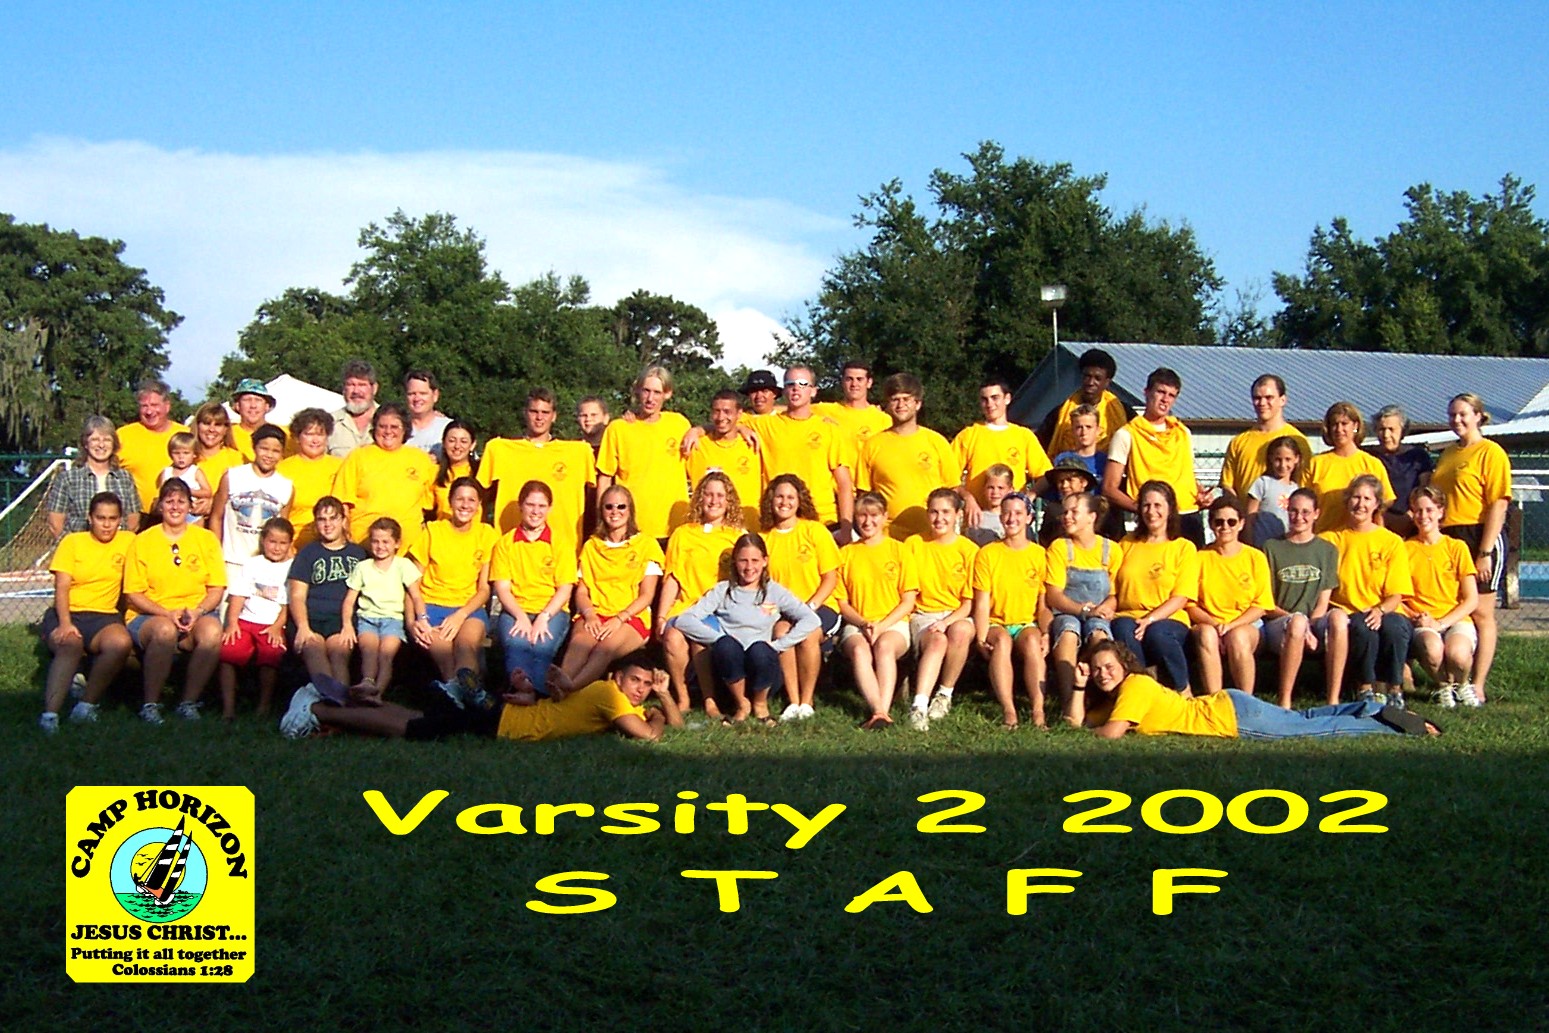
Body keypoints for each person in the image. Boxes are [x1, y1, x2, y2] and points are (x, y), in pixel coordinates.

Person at [281, 649, 683, 743]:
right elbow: (651, 736)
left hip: (505, 713)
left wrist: (663, 697)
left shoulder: (616, 698)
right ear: (617, 677)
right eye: (635, 681)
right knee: (414, 729)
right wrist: (656, 715)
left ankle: (339, 705)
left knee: (418, 719)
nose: (640, 689)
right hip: (505, 725)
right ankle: (318, 709)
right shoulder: (611, 696)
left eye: (646, 685)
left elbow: (676, 723)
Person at [1077, 639, 1439, 740]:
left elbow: (1110, 733)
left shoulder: (1135, 686)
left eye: (1109, 666)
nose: (1102, 674)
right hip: (1229, 704)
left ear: (1124, 665)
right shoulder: (1120, 694)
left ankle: (1391, 726)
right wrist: (1080, 687)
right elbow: (1082, 723)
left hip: (1229, 719)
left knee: (1310, 731)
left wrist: (1091, 726)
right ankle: (1372, 709)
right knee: (1303, 718)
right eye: (1096, 670)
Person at [675, 533, 821, 724]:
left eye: (755, 560)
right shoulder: (723, 590)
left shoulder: (774, 591)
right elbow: (684, 620)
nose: (749, 567)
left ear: (765, 561)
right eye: (743, 561)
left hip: (763, 667)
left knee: (760, 650)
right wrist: (717, 638)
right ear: (735, 562)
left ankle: (760, 704)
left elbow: (810, 619)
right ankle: (742, 703)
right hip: (729, 667)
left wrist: (778, 646)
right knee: (727, 646)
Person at [122, 479, 227, 723]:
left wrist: (198, 611)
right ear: (160, 506)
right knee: (164, 631)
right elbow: (133, 593)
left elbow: (216, 588)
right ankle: (150, 704)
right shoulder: (143, 541)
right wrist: (166, 613)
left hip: (194, 612)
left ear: (190, 506)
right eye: (169, 501)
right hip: (150, 615)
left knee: (212, 632)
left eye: (181, 501)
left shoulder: (206, 539)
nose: (175, 507)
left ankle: (188, 702)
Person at [1432, 391, 1511, 704]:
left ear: (1478, 416)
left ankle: (1477, 683)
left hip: (1480, 534)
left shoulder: (1490, 452)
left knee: (1481, 612)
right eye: (1452, 415)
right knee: (1456, 605)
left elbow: (1498, 504)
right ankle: (1454, 677)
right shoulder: (1448, 453)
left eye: (1463, 414)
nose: (1457, 420)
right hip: (1450, 536)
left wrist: (1485, 551)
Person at [39, 492, 134, 732]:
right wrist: (65, 623)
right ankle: (50, 716)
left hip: (104, 615)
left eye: (112, 518)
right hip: (69, 611)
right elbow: (61, 588)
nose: (106, 524)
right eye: (101, 518)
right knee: (70, 644)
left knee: (120, 643)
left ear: (120, 519)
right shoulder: (72, 542)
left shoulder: (129, 541)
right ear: (90, 518)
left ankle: (86, 705)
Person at [1321, 475, 1414, 706]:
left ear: (1376, 504)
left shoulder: (1391, 541)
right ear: (1347, 501)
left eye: (1367, 499)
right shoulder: (1331, 539)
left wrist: (1380, 610)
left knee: (1395, 627)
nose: (1360, 504)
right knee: (1363, 628)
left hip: (1385, 609)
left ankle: (1394, 689)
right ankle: (1365, 688)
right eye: (1355, 497)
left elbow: (1396, 593)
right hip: (1348, 610)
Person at [657, 473, 743, 716]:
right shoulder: (682, 534)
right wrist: (661, 616)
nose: (714, 501)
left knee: (699, 634)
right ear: (699, 498)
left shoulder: (736, 536)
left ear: (729, 501)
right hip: (685, 605)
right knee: (672, 638)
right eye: (708, 494)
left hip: (719, 609)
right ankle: (683, 699)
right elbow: (673, 578)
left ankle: (709, 700)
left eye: (720, 495)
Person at [562, 485, 664, 688]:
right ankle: (562, 687)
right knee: (579, 644)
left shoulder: (646, 545)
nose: (615, 511)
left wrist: (619, 619)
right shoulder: (591, 546)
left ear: (630, 510)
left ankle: (567, 689)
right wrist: (590, 615)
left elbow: (647, 595)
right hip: (595, 612)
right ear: (602, 511)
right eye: (609, 507)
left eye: (621, 506)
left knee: (604, 649)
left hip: (631, 617)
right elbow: (582, 591)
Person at [407, 476, 498, 701]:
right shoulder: (433, 531)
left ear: (479, 505)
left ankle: (459, 692)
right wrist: (412, 622)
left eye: (471, 500)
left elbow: (484, 590)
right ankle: (469, 697)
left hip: (469, 608)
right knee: (443, 649)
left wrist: (460, 615)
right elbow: (412, 584)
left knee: (466, 645)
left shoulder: (487, 534)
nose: (465, 505)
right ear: (450, 502)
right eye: (460, 499)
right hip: (431, 605)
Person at [760, 474, 841, 722]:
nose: (784, 502)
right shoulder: (764, 538)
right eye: (779, 496)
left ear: (799, 501)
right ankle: (793, 701)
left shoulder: (814, 531)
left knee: (806, 633)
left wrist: (810, 607)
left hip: (820, 604)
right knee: (782, 633)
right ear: (771, 500)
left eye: (790, 497)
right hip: (782, 611)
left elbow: (830, 577)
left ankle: (808, 701)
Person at [480, 388, 595, 560]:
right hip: (513, 552)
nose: (539, 417)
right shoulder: (500, 450)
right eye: (534, 411)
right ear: (525, 413)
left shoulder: (578, 453)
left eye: (545, 412)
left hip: (561, 554)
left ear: (554, 416)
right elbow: (479, 498)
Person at [834, 493, 918, 729]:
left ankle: (882, 711)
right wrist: (863, 623)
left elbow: (908, 601)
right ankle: (879, 711)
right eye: (862, 515)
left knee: (884, 647)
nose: (867, 521)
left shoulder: (899, 550)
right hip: (858, 622)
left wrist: (881, 626)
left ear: (884, 517)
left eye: (874, 516)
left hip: (893, 622)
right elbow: (842, 602)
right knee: (860, 650)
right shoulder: (846, 554)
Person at [745, 365, 856, 543]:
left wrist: (846, 528)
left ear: (813, 391)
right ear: (784, 390)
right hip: (779, 519)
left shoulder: (828, 429)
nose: (796, 388)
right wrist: (700, 430)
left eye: (803, 384)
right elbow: (725, 421)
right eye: (790, 384)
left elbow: (844, 484)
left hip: (822, 519)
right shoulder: (765, 425)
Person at [1103, 367, 1211, 545]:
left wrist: (1201, 494)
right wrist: (1143, 509)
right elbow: (1109, 488)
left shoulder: (1183, 432)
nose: (1165, 400)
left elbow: (1187, 476)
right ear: (1146, 392)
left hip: (1188, 516)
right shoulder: (1127, 434)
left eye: (1171, 395)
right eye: (1160, 392)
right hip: (1153, 521)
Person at [1262, 488, 1349, 708]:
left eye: (1305, 512)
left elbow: (1323, 601)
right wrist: (1299, 622)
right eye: (1293, 511)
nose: (1298, 517)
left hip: (1314, 621)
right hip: (1280, 622)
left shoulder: (1327, 550)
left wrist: (1310, 625)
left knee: (1339, 617)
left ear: (1316, 514)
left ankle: (1333, 699)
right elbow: (1267, 604)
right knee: (1297, 622)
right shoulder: (1271, 547)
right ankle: (1285, 700)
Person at [1110, 480, 1196, 696]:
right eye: (1146, 505)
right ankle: (1144, 691)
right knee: (1123, 630)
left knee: (1158, 634)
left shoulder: (1183, 547)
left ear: (1170, 509)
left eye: (1158, 505)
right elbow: (1114, 589)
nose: (1151, 511)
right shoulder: (1126, 544)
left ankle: (1183, 691)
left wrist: (1149, 620)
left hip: (1169, 617)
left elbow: (1181, 597)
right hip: (1128, 615)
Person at [971, 492, 1049, 728]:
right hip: (997, 622)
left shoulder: (1039, 554)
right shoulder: (988, 554)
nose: (1011, 518)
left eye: (1018, 513)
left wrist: (1046, 632)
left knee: (1033, 641)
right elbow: (982, 602)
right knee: (1002, 641)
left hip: (1026, 623)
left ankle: (1038, 711)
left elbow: (1043, 604)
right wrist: (981, 637)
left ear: (1028, 518)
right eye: (1006, 513)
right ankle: (1009, 711)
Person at [904, 489, 979, 730]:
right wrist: (937, 624)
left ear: (958, 514)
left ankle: (945, 694)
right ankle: (919, 706)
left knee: (960, 632)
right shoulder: (914, 544)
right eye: (934, 512)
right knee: (937, 640)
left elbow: (968, 603)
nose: (939, 518)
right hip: (923, 613)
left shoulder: (969, 550)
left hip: (957, 613)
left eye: (946, 512)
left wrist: (946, 622)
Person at [491, 480, 573, 697]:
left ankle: (529, 692)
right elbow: (502, 588)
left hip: (552, 610)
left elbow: (565, 588)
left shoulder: (560, 543)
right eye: (530, 505)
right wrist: (520, 616)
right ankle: (529, 691)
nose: (536, 511)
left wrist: (544, 617)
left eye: (541, 506)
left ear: (550, 508)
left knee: (541, 646)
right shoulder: (505, 544)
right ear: (521, 506)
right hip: (516, 609)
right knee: (517, 644)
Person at [1186, 495, 1274, 697]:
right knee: (1207, 635)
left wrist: (1231, 626)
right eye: (1219, 522)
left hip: (1247, 624)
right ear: (1211, 524)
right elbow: (1190, 604)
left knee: (1238, 637)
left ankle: (1246, 702)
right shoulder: (1199, 558)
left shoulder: (1255, 557)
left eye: (1231, 522)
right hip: (1209, 623)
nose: (1225, 527)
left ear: (1241, 524)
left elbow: (1261, 605)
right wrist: (1216, 625)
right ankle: (1214, 700)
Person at [1046, 492, 1123, 720]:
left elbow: (1115, 594)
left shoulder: (1111, 550)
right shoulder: (1060, 548)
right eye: (1065, 512)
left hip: (1099, 611)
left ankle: (1106, 700)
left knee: (1099, 634)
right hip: (1068, 610)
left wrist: (1105, 608)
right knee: (1068, 632)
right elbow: (1054, 595)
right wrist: (1083, 610)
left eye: (1074, 512)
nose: (1067, 517)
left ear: (1091, 517)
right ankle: (1070, 701)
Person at [855, 373, 959, 541]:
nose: (900, 405)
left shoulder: (936, 442)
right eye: (895, 399)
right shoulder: (873, 445)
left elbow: (952, 490)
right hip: (888, 537)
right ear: (888, 405)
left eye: (906, 399)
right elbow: (864, 496)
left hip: (930, 536)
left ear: (918, 404)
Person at [1403, 486, 1479, 708]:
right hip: (1423, 619)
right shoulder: (1405, 549)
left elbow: (1471, 599)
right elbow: (1397, 596)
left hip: (1454, 618)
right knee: (1432, 649)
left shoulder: (1456, 547)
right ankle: (1443, 687)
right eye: (1418, 510)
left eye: (1429, 510)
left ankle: (1462, 685)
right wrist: (1418, 617)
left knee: (1458, 655)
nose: (1423, 516)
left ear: (1440, 512)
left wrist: (1442, 623)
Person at [596, 367, 692, 541]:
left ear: (667, 394)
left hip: (675, 527)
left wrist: (700, 430)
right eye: (646, 391)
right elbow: (605, 477)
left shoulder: (680, 424)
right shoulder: (619, 428)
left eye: (657, 392)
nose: (650, 398)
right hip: (631, 527)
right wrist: (601, 520)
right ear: (638, 391)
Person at [340, 516, 426, 700]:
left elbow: (416, 596)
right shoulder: (363, 567)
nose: (380, 546)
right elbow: (349, 600)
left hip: (393, 620)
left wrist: (422, 619)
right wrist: (347, 624)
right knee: (369, 650)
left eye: (386, 542)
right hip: (367, 618)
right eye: (375, 541)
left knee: (386, 654)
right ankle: (367, 682)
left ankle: (378, 692)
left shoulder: (403, 565)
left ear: (397, 543)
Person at [217, 517, 294, 721]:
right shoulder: (253, 563)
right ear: (263, 541)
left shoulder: (292, 567)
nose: (276, 547)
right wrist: (232, 623)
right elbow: (238, 596)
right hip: (246, 620)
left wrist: (277, 627)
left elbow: (288, 605)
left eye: (282, 543)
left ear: (290, 544)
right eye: (272, 542)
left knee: (271, 653)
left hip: (272, 623)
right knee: (228, 651)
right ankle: (228, 708)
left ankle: (263, 705)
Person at [952, 378, 1053, 533]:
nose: (989, 404)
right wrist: (967, 498)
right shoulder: (968, 435)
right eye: (984, 399)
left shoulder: (1023, 436)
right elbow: (947, 478)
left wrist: (1028, 497)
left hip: (1013, 524)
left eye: (995, 398)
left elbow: (1046, 475)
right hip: (978, 524)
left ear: (1007, 399)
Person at [332, 402, 436, 551]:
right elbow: (342, 502)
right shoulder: (358, 457)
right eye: (382, 426)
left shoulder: (421, 459)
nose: (388, 431)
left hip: (408, 548)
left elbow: (430, 505)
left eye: (394, 427)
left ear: (405, 429)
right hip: (364, 545)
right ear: (374, 428)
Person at [288, 496, 365, 687]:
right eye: (322, 519)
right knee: (313, 648)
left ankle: (340, 701)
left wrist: (349, 624)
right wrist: (303, 627)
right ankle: (330, 697)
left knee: (339, 652)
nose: (327, 524)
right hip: (311, 616)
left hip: (341, 620)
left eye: (333, 518)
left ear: (343, 520)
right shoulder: (308, 553)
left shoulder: (358, 554)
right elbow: (297, 595)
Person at [208, 424, 294, 585]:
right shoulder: (232, 477)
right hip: (231, 562)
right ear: (254, 447)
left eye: (275, 451)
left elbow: (283, 529)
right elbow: (216, 517)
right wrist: (216, 553)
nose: (269, 455)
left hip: (264, 564)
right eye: (264, 449)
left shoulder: (286, 486)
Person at [1218, 374, 1313, 500]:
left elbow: (1304, 486)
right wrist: (1241, 508)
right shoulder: (1238, 442)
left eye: (1269, 398)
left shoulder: (1298, 441)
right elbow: (1227, 485)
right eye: (1257, 398)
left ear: (1282, 400)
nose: (1262, 403)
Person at [1304, 402, 1394, 534]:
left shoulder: (1372, 464)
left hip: (1361, 539)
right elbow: (1303, 503)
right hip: (1324, 537)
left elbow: (1384, 504)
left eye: (1344, 423)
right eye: (1335, 424)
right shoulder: (1315, 464)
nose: (1339, 429)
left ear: (1355, 426)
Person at [47, 415, 140, 538]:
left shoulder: (125, 478)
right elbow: (55, 525)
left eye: (107, 440)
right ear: (85, 443)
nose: (101, 445)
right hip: (79, 547)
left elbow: (133, 521)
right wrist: (75, 547)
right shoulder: (67, 479)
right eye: (95, 439)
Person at [686, 391, 763, 530]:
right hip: (709, 532)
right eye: (717, 411)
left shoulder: (753, 444)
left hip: (748, 530)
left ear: (739, 414)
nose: (721, 417)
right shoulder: (697, 445)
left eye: (727, 412)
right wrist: (696, 430)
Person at [116, 378, 189, 522]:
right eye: (144, 406)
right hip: (136, 517)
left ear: (167, 406)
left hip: (178, 515)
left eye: (155, 405)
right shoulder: (123, 435)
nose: (149, 411)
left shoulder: (185, 435)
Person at [1039, 348, 1130, 456]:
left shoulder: (1124, 413)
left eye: (1097, 378)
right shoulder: (1059, 414)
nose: (1090, 382)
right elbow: (1039, 447)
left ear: (1107, 382)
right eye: (1087, 376)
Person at [1366, 404, 1433, 539]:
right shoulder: (1368, 457)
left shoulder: (1418, 456)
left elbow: (1425, 489)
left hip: (1412, 523)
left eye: (1391, 429)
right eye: (1382, 429)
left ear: (1402, 430)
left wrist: (1411, 515)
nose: (1386, 435)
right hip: (1377, 521)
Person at [277, 408, 342, 547]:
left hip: (331, 545)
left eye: (320, 434)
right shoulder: (282, 469)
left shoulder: (341, 466)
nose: (315, 440)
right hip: (293, 545)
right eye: (309, 434)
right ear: (297, 437)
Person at [813, 359, 893, 455]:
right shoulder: (822, 410)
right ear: (842, 382)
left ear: (869, 383)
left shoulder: (883, 420)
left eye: (859, 379)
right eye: (849, 379)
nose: (854, 384)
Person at [1244, 436, 1304, 547]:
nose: (1282, 465)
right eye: (1278, 460)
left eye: (1288, 459)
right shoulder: (1262, 483)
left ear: (1296, 459)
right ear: (1271, 458)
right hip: (1262, 545)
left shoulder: (1296, 489)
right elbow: (1249, 517)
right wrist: (1250, 544)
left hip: (1286, 547)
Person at [190, 402, 245, 516]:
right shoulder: (184, 456)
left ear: (226, 429)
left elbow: (243, 497)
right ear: (197, 425)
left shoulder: (236, 459)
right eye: (206, 423)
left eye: (218, 425)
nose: (211, 429)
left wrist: (214, 503)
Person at [431, 420, 486, 522]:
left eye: (463, 441)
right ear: (444, 443)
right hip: (443, 530)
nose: (457, 446)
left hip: (476, 531)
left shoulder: (482, 471)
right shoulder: (434, 473)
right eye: (452, 441)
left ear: (472, 445)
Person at [328, 359, 380, 458]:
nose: (356, 391)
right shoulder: (330, 423)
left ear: (374, 388)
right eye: (350, 385)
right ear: (343, 389)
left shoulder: (390, 422)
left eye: (362, 385)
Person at [157, 432, 212, 521]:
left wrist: (188, 491)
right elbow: (161, 493)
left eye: (186, 453)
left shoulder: (195, 471)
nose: (181, 457)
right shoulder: (167, 472)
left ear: (194, 454)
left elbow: (207, 492)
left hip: (193, 513)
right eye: (176, 453)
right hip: (172, 512)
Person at [229, 378, 283, 460]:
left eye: (258, 400)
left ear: (267, 406)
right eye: (247, 400)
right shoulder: (226, 434)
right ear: (237, 406)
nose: (253, 406)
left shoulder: (283, 434)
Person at [402, 370, 451, 455]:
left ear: (435, 395)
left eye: (423, 393)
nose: (417, 399)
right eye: (412, 394)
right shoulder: (395, 430)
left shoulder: (449, 428)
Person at [963, 464, 1014, 546]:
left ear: (1010, 490)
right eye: (991, 487)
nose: (995, 492)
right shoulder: (977, 518)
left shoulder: (1015, 518)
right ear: (984, 489)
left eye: (1000, 488)